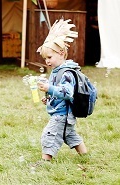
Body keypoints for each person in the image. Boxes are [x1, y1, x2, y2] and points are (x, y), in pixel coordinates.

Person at [36, 19, 87, 163]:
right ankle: (85, 156)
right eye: (45, 58)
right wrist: (49, 97)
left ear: (62, 53)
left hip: (62, 114)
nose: (47, 61)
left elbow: (67, 92)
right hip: (62, 113)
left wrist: (49, 88)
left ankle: (45, 161)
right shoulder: (56, 71)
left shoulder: (67, 72)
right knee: (70, 135)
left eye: (50, 57)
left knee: (49, 134)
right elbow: (57, 92)